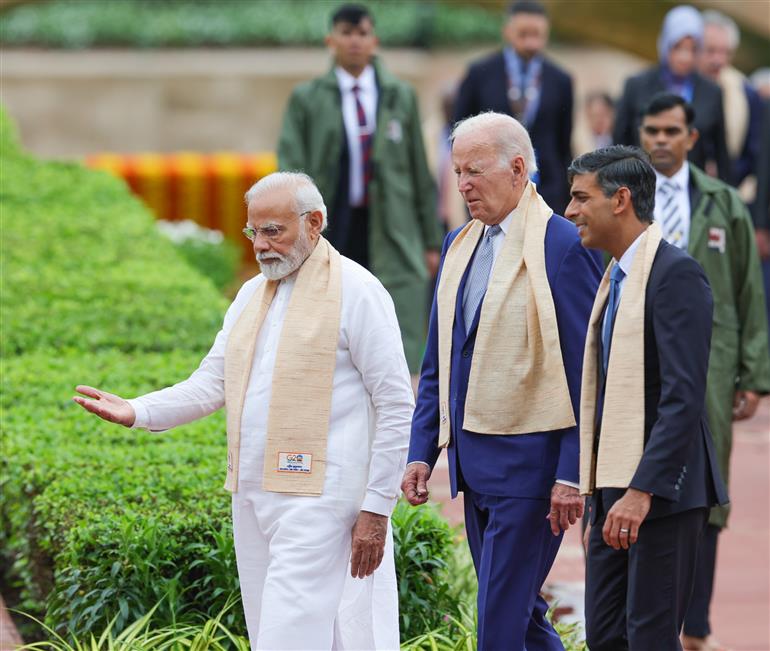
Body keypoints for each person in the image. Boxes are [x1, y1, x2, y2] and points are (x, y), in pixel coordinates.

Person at [73, 172, 415, 650]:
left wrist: (377, 507)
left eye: (274, 231)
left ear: (314, 223)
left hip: (321, 498)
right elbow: (212, 382)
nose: (260, 245)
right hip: (253, 493)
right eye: (254, 232)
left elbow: (396, 402)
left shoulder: (357, 290)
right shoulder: (253, 294)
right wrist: (137, 410)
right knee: (287, 632)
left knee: (286, 637)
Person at [402, 112, 602, 651]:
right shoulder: (459, 244)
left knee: (497, 625)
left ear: (517, 168)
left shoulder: (562, 244)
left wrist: (569, 472)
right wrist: (421, 451)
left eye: (474, 171)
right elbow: (437, 360)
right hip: (474, 465)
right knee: (523, 618)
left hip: (531, 473)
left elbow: (585, 370)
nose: (462, 184)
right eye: (458, 171)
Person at [566, 145, 728, 651]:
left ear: (619, 200)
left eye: (579, 197)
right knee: (606, 635)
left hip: (662, 492)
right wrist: (597, 493)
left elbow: (683, 396)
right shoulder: (614, 279)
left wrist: (642, 491)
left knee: (651, 638)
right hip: (615, 484)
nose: (570, 211)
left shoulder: (675, 273)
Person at [637, 93, 770, 651]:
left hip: (711, 364)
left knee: (707, 483)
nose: (661, 140)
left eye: (672, 131)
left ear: (692, 138)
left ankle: (696, 625)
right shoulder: (624, 198)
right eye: (652, 130)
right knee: (638, 471)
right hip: (637, 357)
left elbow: (748, 288)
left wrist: (753, 373)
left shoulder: (721, 203)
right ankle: (643, 616)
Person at [277, 3, 443, 376]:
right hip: (332, 221)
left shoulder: (399, 95)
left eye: (363, 34)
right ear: (331, 40)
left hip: (391, 222)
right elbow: (288, 168)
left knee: (395, 308)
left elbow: (419, 170)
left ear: (375, 41)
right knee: (329, 304)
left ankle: (396, 390)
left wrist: (431, 239)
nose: (355, 41)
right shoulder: (308, 98)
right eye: (347, 34)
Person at [452, 0, 574, 213]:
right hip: (491, 190)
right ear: (508, 31)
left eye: (537, 33)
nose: (531, 40)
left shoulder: (561, 79)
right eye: (523, 33)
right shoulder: (479, 74)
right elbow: (459, 128)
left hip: (548, 194)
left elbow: (564, 141)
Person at [613, 5, 731, 183]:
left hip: (692, 189)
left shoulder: (711, 92)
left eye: (692, 49)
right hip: (641, 187)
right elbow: (619, 142)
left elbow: (721, 154)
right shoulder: (637, 85)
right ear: (666, 44)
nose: (685, 57)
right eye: (678, 48)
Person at [699, 10, 763, 189]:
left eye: (725, 53)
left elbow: (753, 152)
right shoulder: (678, 84)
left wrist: (724, 172)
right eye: (710, 51)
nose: (718, 60)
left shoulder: (745, 92)